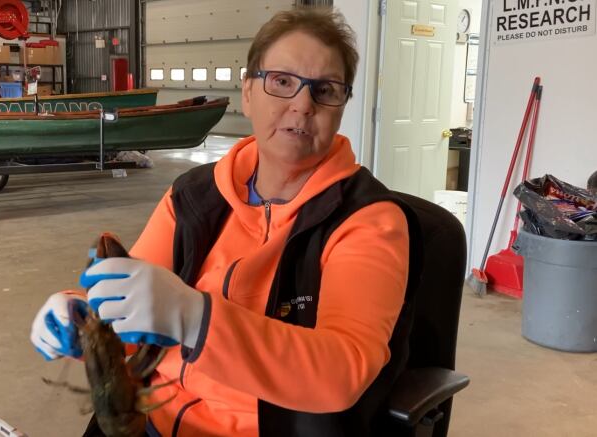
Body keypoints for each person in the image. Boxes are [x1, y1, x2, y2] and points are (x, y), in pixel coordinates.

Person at [32, 7, 420, 437]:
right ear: (248, 93)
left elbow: (343, 372)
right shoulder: (193, 196)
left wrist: (195, 319)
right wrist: (80, 316)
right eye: (283, 82)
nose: (303, 105)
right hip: (149, 420)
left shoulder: (367, 221)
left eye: (325, 89)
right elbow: (128, 314)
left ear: (341, 107)